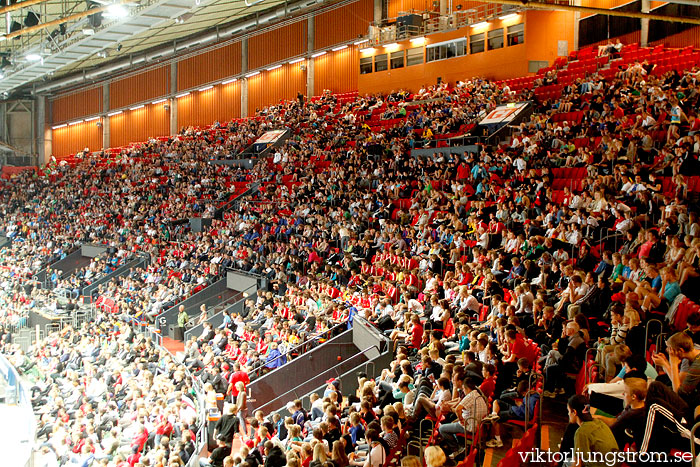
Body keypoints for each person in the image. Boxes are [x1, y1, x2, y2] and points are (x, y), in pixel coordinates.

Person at [566, 394, 619, 467]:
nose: (568, 414)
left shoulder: (581, 432)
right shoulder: (599, 423)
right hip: (615, 463)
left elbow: (577, 464)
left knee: (567, 462)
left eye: (568, 411)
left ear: (574, 412)